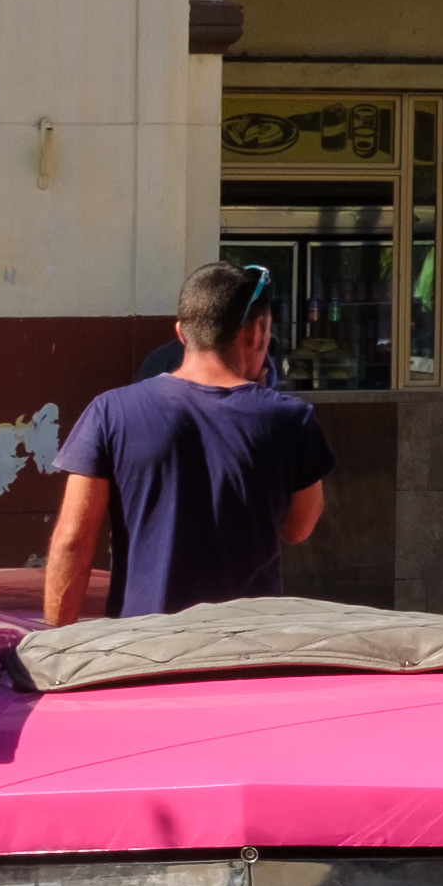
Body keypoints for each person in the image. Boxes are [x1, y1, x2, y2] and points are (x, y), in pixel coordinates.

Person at [40, 262, 335, 624]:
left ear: (181, 333)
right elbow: (299, 528)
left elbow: (72, 541)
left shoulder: (109, 412)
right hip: (250, 648)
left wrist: (55, 647)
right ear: (257, 332)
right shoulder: (291, 419)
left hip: (142, 653)